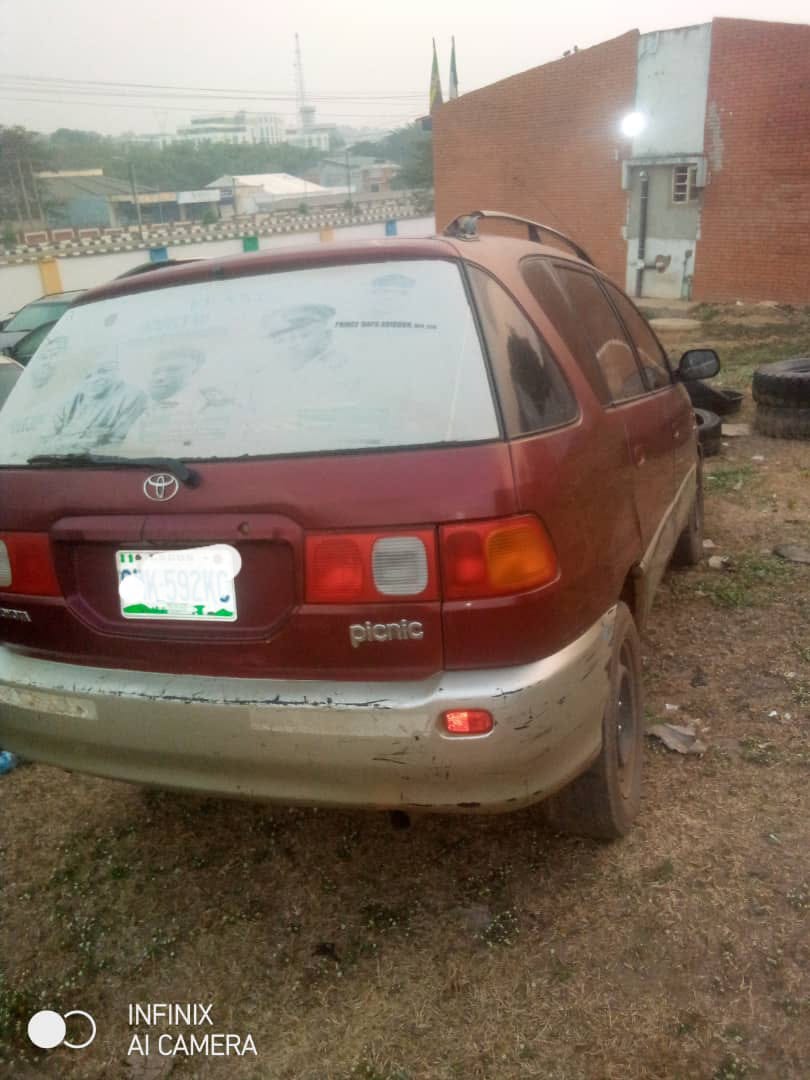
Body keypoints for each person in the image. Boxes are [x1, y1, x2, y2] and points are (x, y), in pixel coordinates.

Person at [51, 355, 145, 449]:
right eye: (88, 376)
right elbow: (47, 434)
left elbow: (118, 443)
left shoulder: (131, 396)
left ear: (116, 372)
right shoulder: (74, 398)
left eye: (102, 371)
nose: (95, 379)